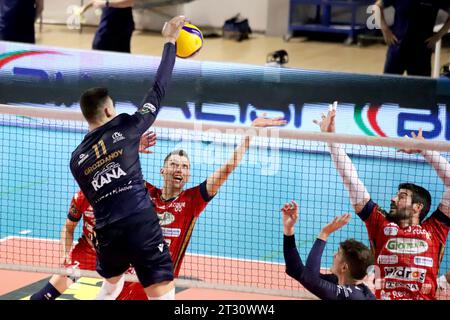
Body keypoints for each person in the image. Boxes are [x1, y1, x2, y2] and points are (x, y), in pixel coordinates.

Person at [31, 115, 286, 300]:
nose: (180, 170)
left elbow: (227, 169)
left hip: (156, 285)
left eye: (185, 167)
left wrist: (249, 134)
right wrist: (132, 147)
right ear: (163, 170)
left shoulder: (192, 201)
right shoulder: (142, 192)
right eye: (175, 165)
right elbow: (114, 171)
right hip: (126, 279)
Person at [68, 15, 186, 300]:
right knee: (162, 293)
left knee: (111, 285)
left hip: (106, 231)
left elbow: (104, 180)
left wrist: (129, 150)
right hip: (139, 221)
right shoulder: (125, 126)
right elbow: (157, 91)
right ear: (109, 112)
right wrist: (170, 41)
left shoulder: (76, 159)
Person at [314, 102, 450, 300]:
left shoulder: (435, 229)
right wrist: (331, 139)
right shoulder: (380, 223)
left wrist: (425, 149)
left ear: (418, 207)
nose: (393, 199)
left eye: (402, 196)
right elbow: (351, 180)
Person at [282, 200, 375, 300]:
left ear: (344, 267)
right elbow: (296, 270)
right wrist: (289, 228)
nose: (334, 254)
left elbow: (310, 279)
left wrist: (324, 233)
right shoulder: (340, 281)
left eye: (338, 254)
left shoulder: (354, 296)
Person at [375, 0, 450, 76]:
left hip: (421, 52)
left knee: (421, 87)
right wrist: (385, 30)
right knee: (388, 85)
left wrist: (439, 35)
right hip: (397, 48)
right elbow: (377, 7)